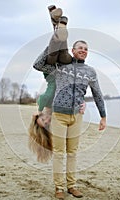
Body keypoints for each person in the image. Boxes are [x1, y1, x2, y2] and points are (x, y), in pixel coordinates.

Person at [33, 6, 107, 199]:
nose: (83, 50)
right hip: (58, 114)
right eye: (80, 48)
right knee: (59, 154)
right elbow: (38, 64)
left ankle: (72, 185)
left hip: (77, 116)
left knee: (72, 153)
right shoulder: (60, 66)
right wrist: (52, 46)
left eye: (86, 49)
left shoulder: (90, 72)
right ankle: (59, 188)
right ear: (72, 51)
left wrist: (103, 116)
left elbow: (97, 94)